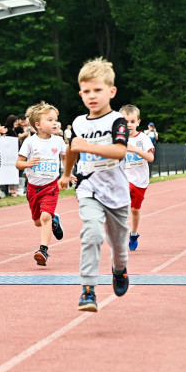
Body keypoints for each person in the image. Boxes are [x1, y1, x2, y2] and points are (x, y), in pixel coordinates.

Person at [59, 57, 130, 312]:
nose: (92, 96)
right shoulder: (78, 123)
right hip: (89, 187)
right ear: (80, 93)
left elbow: (120, 151)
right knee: (92, 232)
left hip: (117, 192)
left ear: (111, 91)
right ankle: (87, 289)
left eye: (98, 90)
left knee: (119, 248)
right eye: (86, 91)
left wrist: (87, 146)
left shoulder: (117, 121)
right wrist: (66, 174)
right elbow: (72, 150)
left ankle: (119, 270)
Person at [17, 102, 67, 266]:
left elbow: (66, 158)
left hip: (51, 186)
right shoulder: (30, 142)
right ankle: (55, 221)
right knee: (38, 222)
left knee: (45, 216)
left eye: (56, 120)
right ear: (37, 125)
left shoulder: (59, 141)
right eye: (50, 120)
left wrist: (66, 174)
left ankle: (43, 250)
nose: (55, 123)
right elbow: (19, 163)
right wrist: (28, 164)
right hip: (33, 188)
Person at [120, 105, 155, 251]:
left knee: (135, 210)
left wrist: (135, 149)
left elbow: (151, 158)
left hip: (140, 181)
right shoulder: (117, 139)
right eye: (125, 121)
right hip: (123, 179)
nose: (129, 125)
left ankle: (133, 233)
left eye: (132, 121)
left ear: (138, 122)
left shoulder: (144, 139)